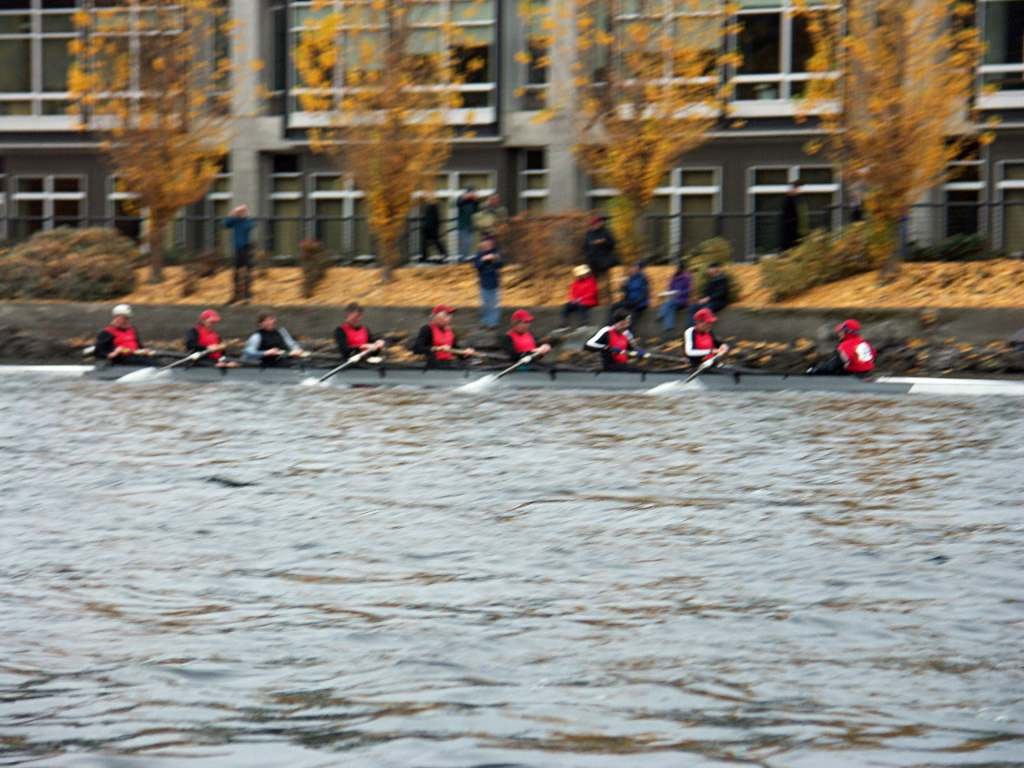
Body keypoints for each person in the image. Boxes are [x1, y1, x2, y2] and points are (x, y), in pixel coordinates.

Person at [412, 305, 476, 368]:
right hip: (432, 366)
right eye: (446, 315)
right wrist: (438, 348)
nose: (450, 318)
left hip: (448, 365)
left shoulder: (450, 331)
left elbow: (456, 350)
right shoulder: (427, 329)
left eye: (450, 315)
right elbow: (417, 349)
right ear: (435, 317)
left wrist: (466, 353)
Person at [808, 319, 876, 376]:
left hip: (852, 377)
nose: (839, 333)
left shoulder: (844, 346)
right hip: (867, 374)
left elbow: (832, 366)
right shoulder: (866, 343)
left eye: (841, 331)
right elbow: (873, 356)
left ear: (848, 332)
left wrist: (814, 370)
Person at [242, 313, 307, 365]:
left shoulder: (282, 331)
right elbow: (248, 353)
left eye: (272, 319)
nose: (271, 322)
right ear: (260, 324)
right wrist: (266, 352)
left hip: (285, 358)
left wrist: (297, 350)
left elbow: (292, 344)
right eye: (267, 320)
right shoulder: (256, 336)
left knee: (304, 361)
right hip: (269, 363)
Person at [224, 204, 257, 303]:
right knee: (236, 273)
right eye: (240, 212)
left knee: (247, 272)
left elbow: (249, 226)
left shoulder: (247, 221)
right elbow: (225, 224)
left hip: (246, 249)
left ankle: (247, 295)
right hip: (237, 250)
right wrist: (233, 213)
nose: (241, 213)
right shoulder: (235, 221)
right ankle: (236, 295)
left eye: (243, 211)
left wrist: (243, 216)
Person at [470, 234, 503, 329]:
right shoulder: (479, 254)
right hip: (484, 284)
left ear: (493, 244)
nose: (488, 245)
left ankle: (493, 323)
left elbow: (501, 264)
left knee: (495, 304)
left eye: (490, 243)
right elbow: (476, 266)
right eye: (486, 243)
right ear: (482, 244)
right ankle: (485, 322)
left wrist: (495, 259)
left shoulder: (496, 253)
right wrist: (483, 259)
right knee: (485, 305)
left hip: (495, 283)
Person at [582, 213, 618, 300]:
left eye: (601, 222)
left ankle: (607, 302)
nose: (601, 223)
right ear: (593, 224)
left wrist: (604, 242)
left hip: (604, 262)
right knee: (593, 284)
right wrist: (588, 256)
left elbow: (612, 244)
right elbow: (584, 247)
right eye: (598, 222)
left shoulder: (606, 232)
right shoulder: (589, 233)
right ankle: (595, 301)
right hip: (593, 262)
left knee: (605, 283)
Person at [656, 261, 692, 333]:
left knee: (668, 303)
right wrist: (667, 292)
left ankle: (661, 315)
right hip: (674, 301)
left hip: (682, 300)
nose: (675, 269)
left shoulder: (686, 278)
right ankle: (669, 327)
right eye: (675, 267)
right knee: (670, 307)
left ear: (681, 268)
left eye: (677, 267)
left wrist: (680, 293)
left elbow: (689, 290)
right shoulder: (674, 278)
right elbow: (670, 289)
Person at [420, 194, 448, 263]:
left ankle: (444, 254)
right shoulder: (428, 206)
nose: (427, 199)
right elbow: (429, 218)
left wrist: (435, 227)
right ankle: (424, 256)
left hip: (432, 228)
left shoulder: (433, 206)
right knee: (425, 242)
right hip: (428, 227)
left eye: (428, 198)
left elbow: (436, 218)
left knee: (435, 241)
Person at [779, 183, 807, 252]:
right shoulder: (790, 200)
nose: (799, 190)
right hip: (791, 229)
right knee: (790, 247)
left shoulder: (796, 199)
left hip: (795, 229)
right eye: (797, 189)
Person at [455, 187, 479, 259]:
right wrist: (467, 196)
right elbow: (458, 203)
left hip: (470, 226)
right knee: (465, 243)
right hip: (462, 226)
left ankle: (464, 258)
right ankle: (462, 259)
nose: (473, 194)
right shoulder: (461, 199)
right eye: (472, 192)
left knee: (469, 243)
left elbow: (476, 211)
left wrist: (476, 201)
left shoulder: (473, 201)